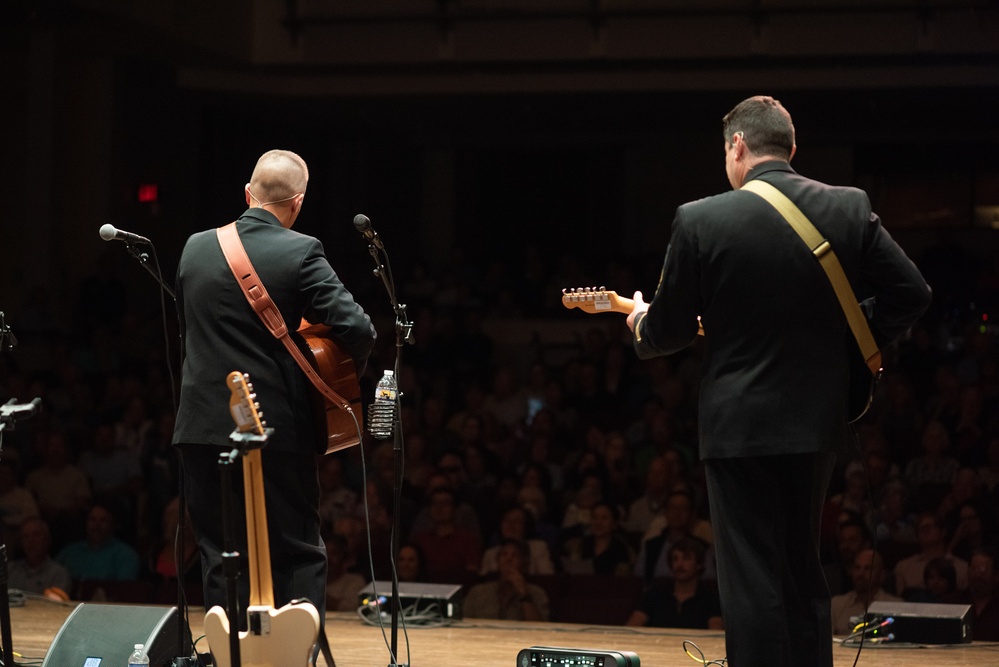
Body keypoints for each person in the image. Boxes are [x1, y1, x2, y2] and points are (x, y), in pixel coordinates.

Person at [625, 95, 932, 667]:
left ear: (737, 145)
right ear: (791, 149)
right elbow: (913, 294)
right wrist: (846, 337)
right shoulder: (847, 207)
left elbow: (665, 334)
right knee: (800, 568)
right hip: (817, 420)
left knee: (751, 578)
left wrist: (639, 321)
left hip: (738, 425)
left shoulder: (701, 218)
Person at [172, 150, 376, 634]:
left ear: (248, 193)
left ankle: (232, 659)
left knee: (220, 553)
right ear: (298, 203)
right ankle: (293, 657)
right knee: (296, 550)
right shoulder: (300, 251)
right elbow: (358, 329)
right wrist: (337, 381)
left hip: (200, 425)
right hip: (273, 428)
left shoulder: (194, 248)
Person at [626, 536, 723, 630]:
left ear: (699, 564)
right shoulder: (654, 595)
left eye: (686, 558)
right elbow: (632, 628)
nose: (679, 564)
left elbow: (715, 634)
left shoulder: (711, 600)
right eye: (675, 559)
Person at [462, 538, 549, 621]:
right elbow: (462, 625)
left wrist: (524, 595)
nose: (508, 559)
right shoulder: (477, 593)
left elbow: (539, 629)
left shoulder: (537, 593)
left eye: (515, 556)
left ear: (525, 563)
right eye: (504, 555)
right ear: (498, 562)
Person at [829, 549, 901, 635]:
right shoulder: (836, 605)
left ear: (882, 574)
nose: (861, 573)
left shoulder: (897, 605)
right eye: (857, 568)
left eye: (868, 569)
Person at [7, 517, 72, 596]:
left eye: (36, 535)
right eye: (26, 536)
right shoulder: (9, 570)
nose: (31, 540)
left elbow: (56, 605)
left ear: (47, 539)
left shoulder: (59, 574)